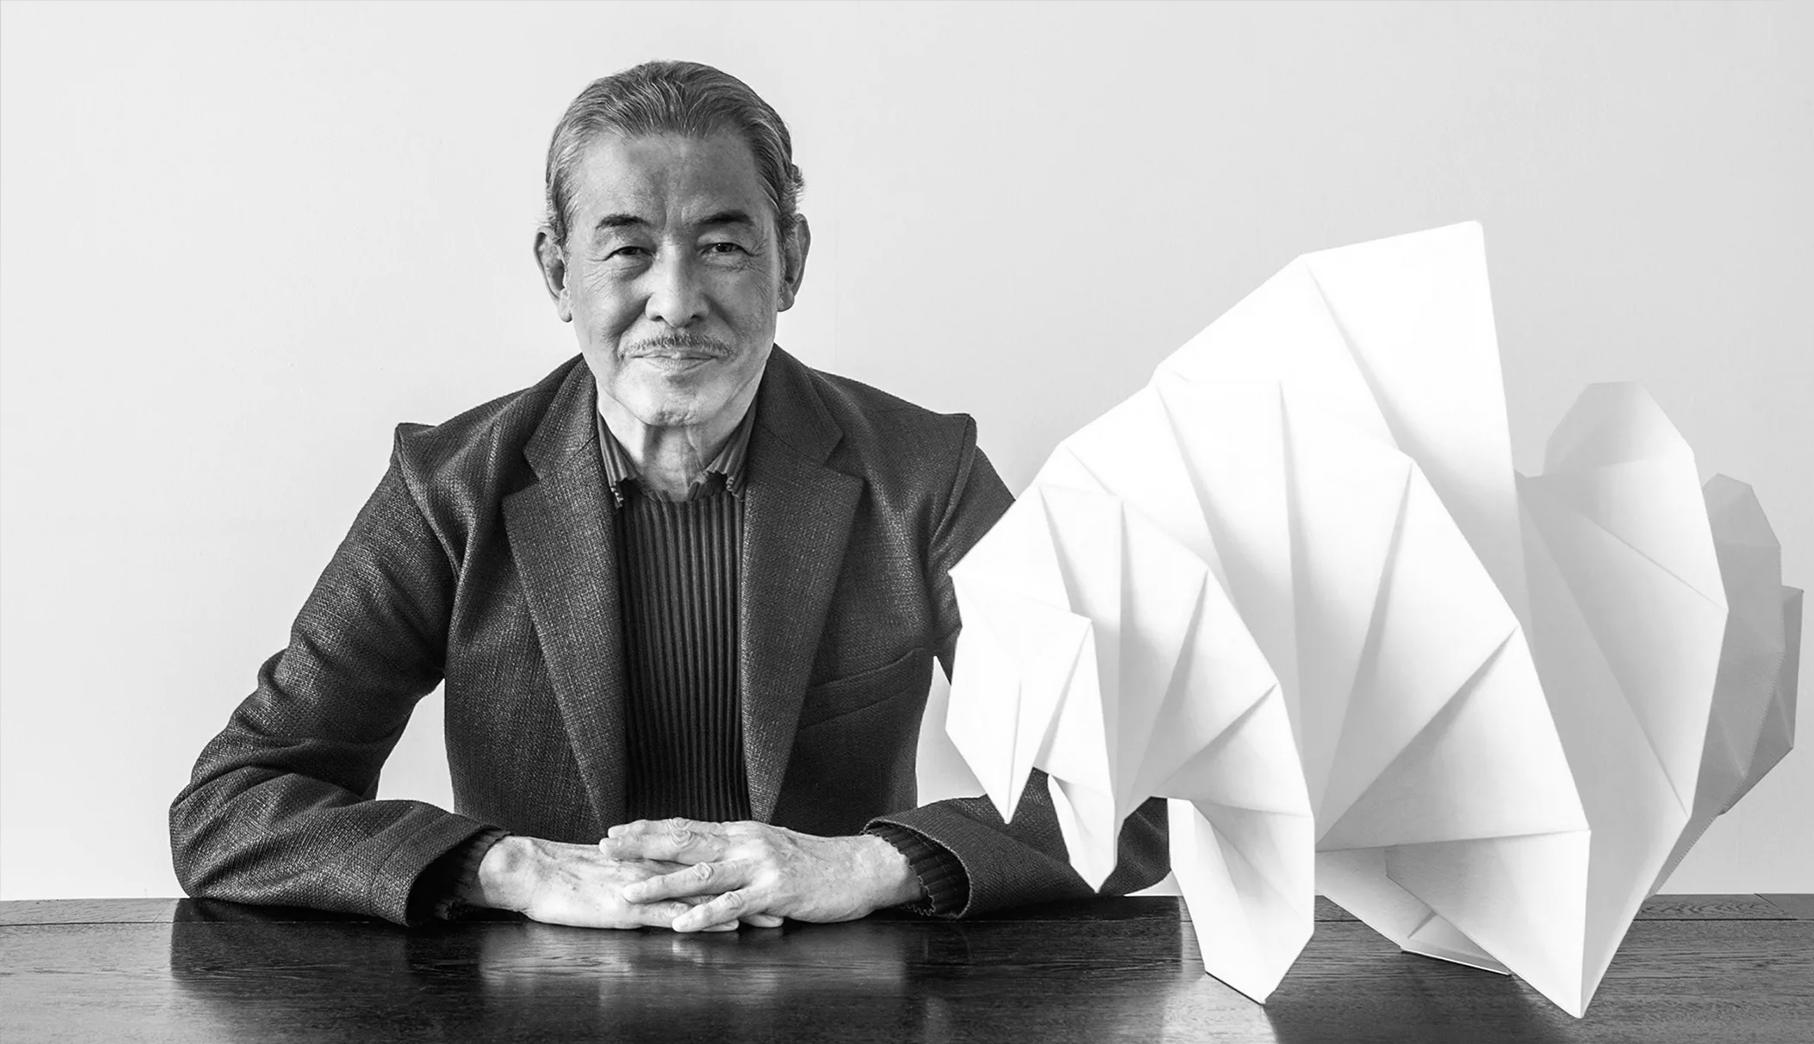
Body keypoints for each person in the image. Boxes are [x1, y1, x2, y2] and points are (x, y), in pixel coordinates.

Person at [171, 60, 1166, 933]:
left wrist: (868, 865)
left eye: (724, 246)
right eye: (627, 249)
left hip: (847, 1018)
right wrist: (508, 869)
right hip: (532, 1026)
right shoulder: (448, 491)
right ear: (557, 272)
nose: (678, 300)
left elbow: (1134, 800)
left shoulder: (922, 477)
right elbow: (230, 805)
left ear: (791, 263)